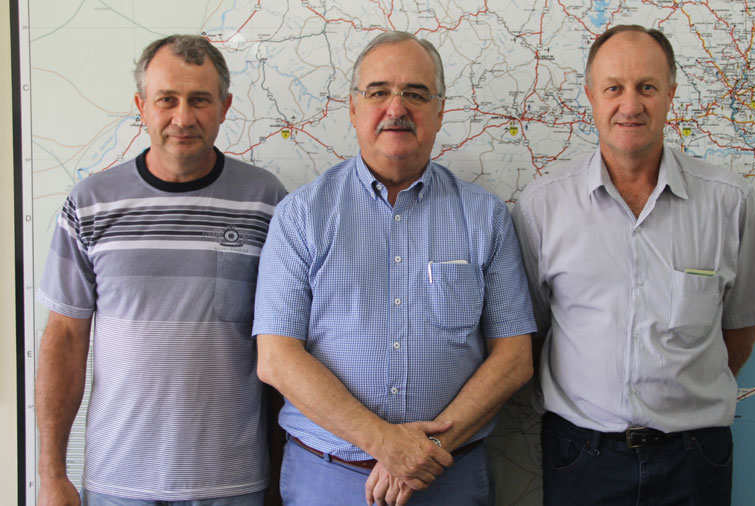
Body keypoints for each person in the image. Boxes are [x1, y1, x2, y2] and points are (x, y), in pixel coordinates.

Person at [252, 31, 536, 506]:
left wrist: (425, 450)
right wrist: (385, 443)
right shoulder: (301, 215)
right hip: (328, 477)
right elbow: (277, 358)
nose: (397, 107)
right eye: (378, 91)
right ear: (353, 107)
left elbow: (514, 358)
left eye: (416, 94)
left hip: (450, 476)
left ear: (440, 111)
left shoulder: (485, 216)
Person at [513, 24, 755, 506]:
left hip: (694, 459)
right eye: (613, 88)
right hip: (581, 457)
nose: (630, 104)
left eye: (646, 87)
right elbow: (530, 333)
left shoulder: (728, 202)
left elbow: (740, 332)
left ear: (670, 94)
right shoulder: (542, 206)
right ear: (591, 96)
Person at [35, 34, 286, 505]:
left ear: (225, 107)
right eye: (167, 99)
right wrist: (51, 475)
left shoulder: (266, 202)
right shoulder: (90, 204)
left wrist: (278, 481)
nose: (183, 118)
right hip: (117, 485)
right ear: (141, 106)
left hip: (232, 484)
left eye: (200, 100)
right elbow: (64, 339)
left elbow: (282, 350)